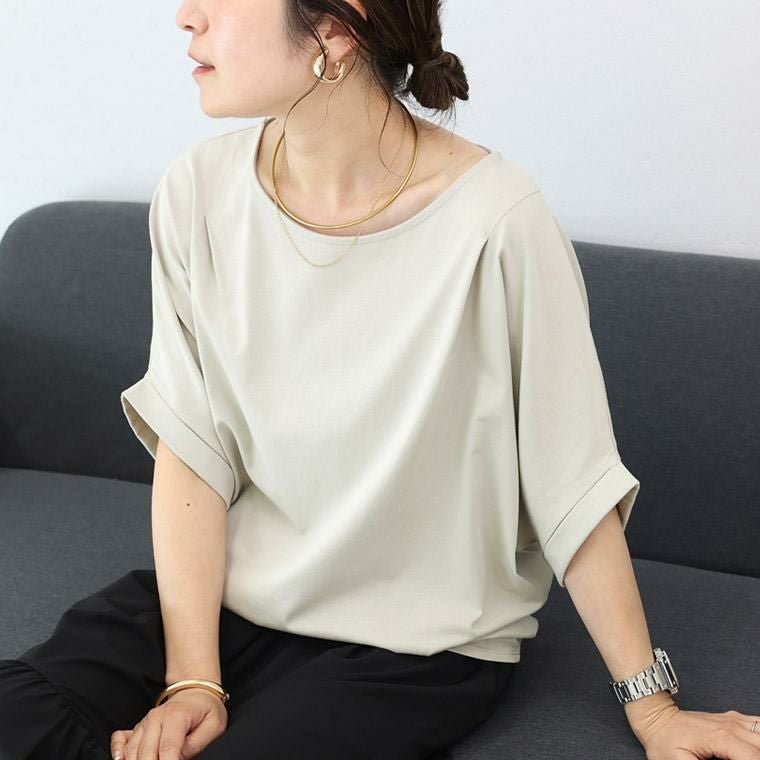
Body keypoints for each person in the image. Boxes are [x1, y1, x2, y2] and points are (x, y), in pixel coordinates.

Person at [4, 1, 758, 759]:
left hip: (415, 650)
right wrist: (193, 679)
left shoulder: (497, 222)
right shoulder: (197, 192)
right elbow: (193, 449)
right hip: (230, 603)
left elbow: (572, 486)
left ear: (336, 28)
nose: (186, 15)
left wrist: (654, 710)